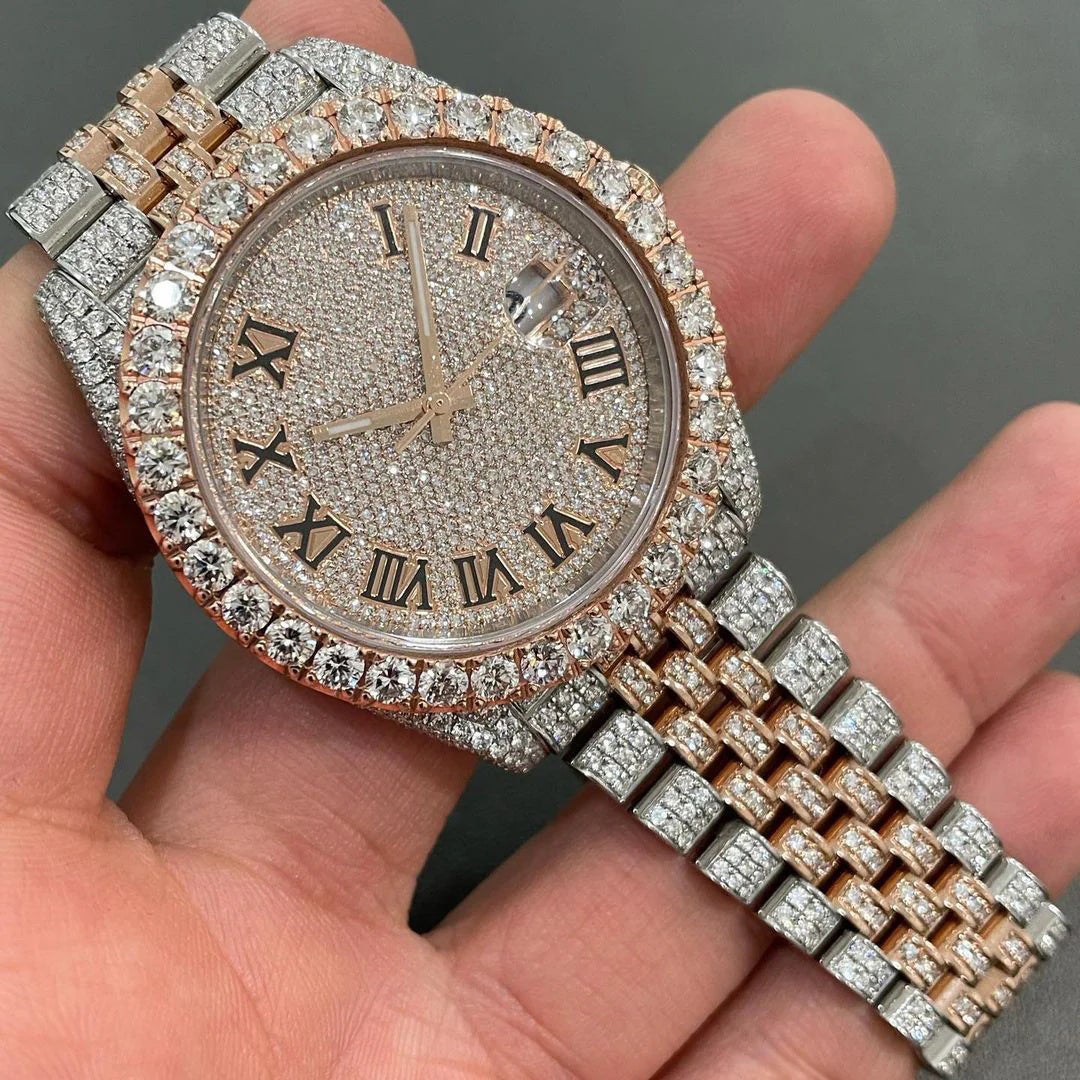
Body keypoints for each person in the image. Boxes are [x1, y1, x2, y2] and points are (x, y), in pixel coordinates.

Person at [1, 2, 1077, 1076]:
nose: (439, 414)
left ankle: (968, 940)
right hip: (508, 647)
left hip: (645, 537)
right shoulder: (112, 303)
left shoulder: (324, 102)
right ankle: (963, 952)